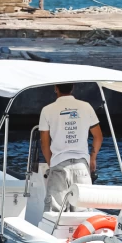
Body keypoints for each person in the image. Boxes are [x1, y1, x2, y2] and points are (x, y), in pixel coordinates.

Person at [39, 83, 102, 213]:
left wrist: (52, 163)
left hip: (59, 165)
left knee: (54, 213)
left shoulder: (47, 110)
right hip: (82, 167)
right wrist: (92, 158)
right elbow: (98, 136)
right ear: (73, 88)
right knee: (82, 213)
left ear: (56, 88)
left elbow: (44, 143)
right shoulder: (86, 107)